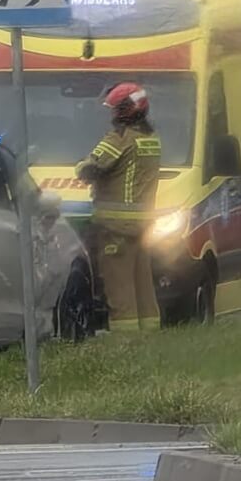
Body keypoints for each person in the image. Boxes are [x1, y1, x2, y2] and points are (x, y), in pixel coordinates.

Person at [75, 82, 162, 331]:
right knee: (143, 288)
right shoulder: (151, 138)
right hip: (141, 227)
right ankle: (150, 339)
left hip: (115, 228)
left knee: (119, 289)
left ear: (124, 110)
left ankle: (125, 345)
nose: (112, 115)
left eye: (114, 109)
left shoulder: (120, 138)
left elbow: (91, 167)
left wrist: (81, 165)